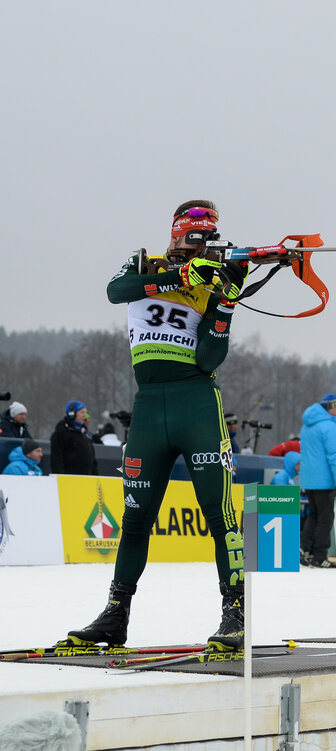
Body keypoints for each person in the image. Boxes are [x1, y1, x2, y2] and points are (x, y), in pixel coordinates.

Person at [63, 200, 248, 651]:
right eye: (194, 235)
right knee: (135, 520)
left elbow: (209, 358)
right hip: (148, 408)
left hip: (197, 403)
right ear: (177, 232)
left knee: (219, 516)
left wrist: (224, 303)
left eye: (208, 237)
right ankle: (115, 614)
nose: (200, 244)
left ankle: (235, 614)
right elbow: (117, 290)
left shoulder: (216, 277)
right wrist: (180, 276)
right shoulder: (147, 262)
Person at [299, 393, 336, 569]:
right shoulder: (330, 427)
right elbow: (334, 456)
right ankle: (320, 555)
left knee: (314, 514)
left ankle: (304, 549)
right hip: (325, 480)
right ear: (330, 408)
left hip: (308, 479)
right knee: (326, 517)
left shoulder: (306, 426)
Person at [50, 400, 98, 475]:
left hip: (88, 480)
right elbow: (57, 460)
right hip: (70, 480)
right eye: (82, 412)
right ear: (72, 414)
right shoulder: (61, 433)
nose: (85, 415)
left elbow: (93, 461)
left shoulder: (85, 434)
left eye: (86, 412)